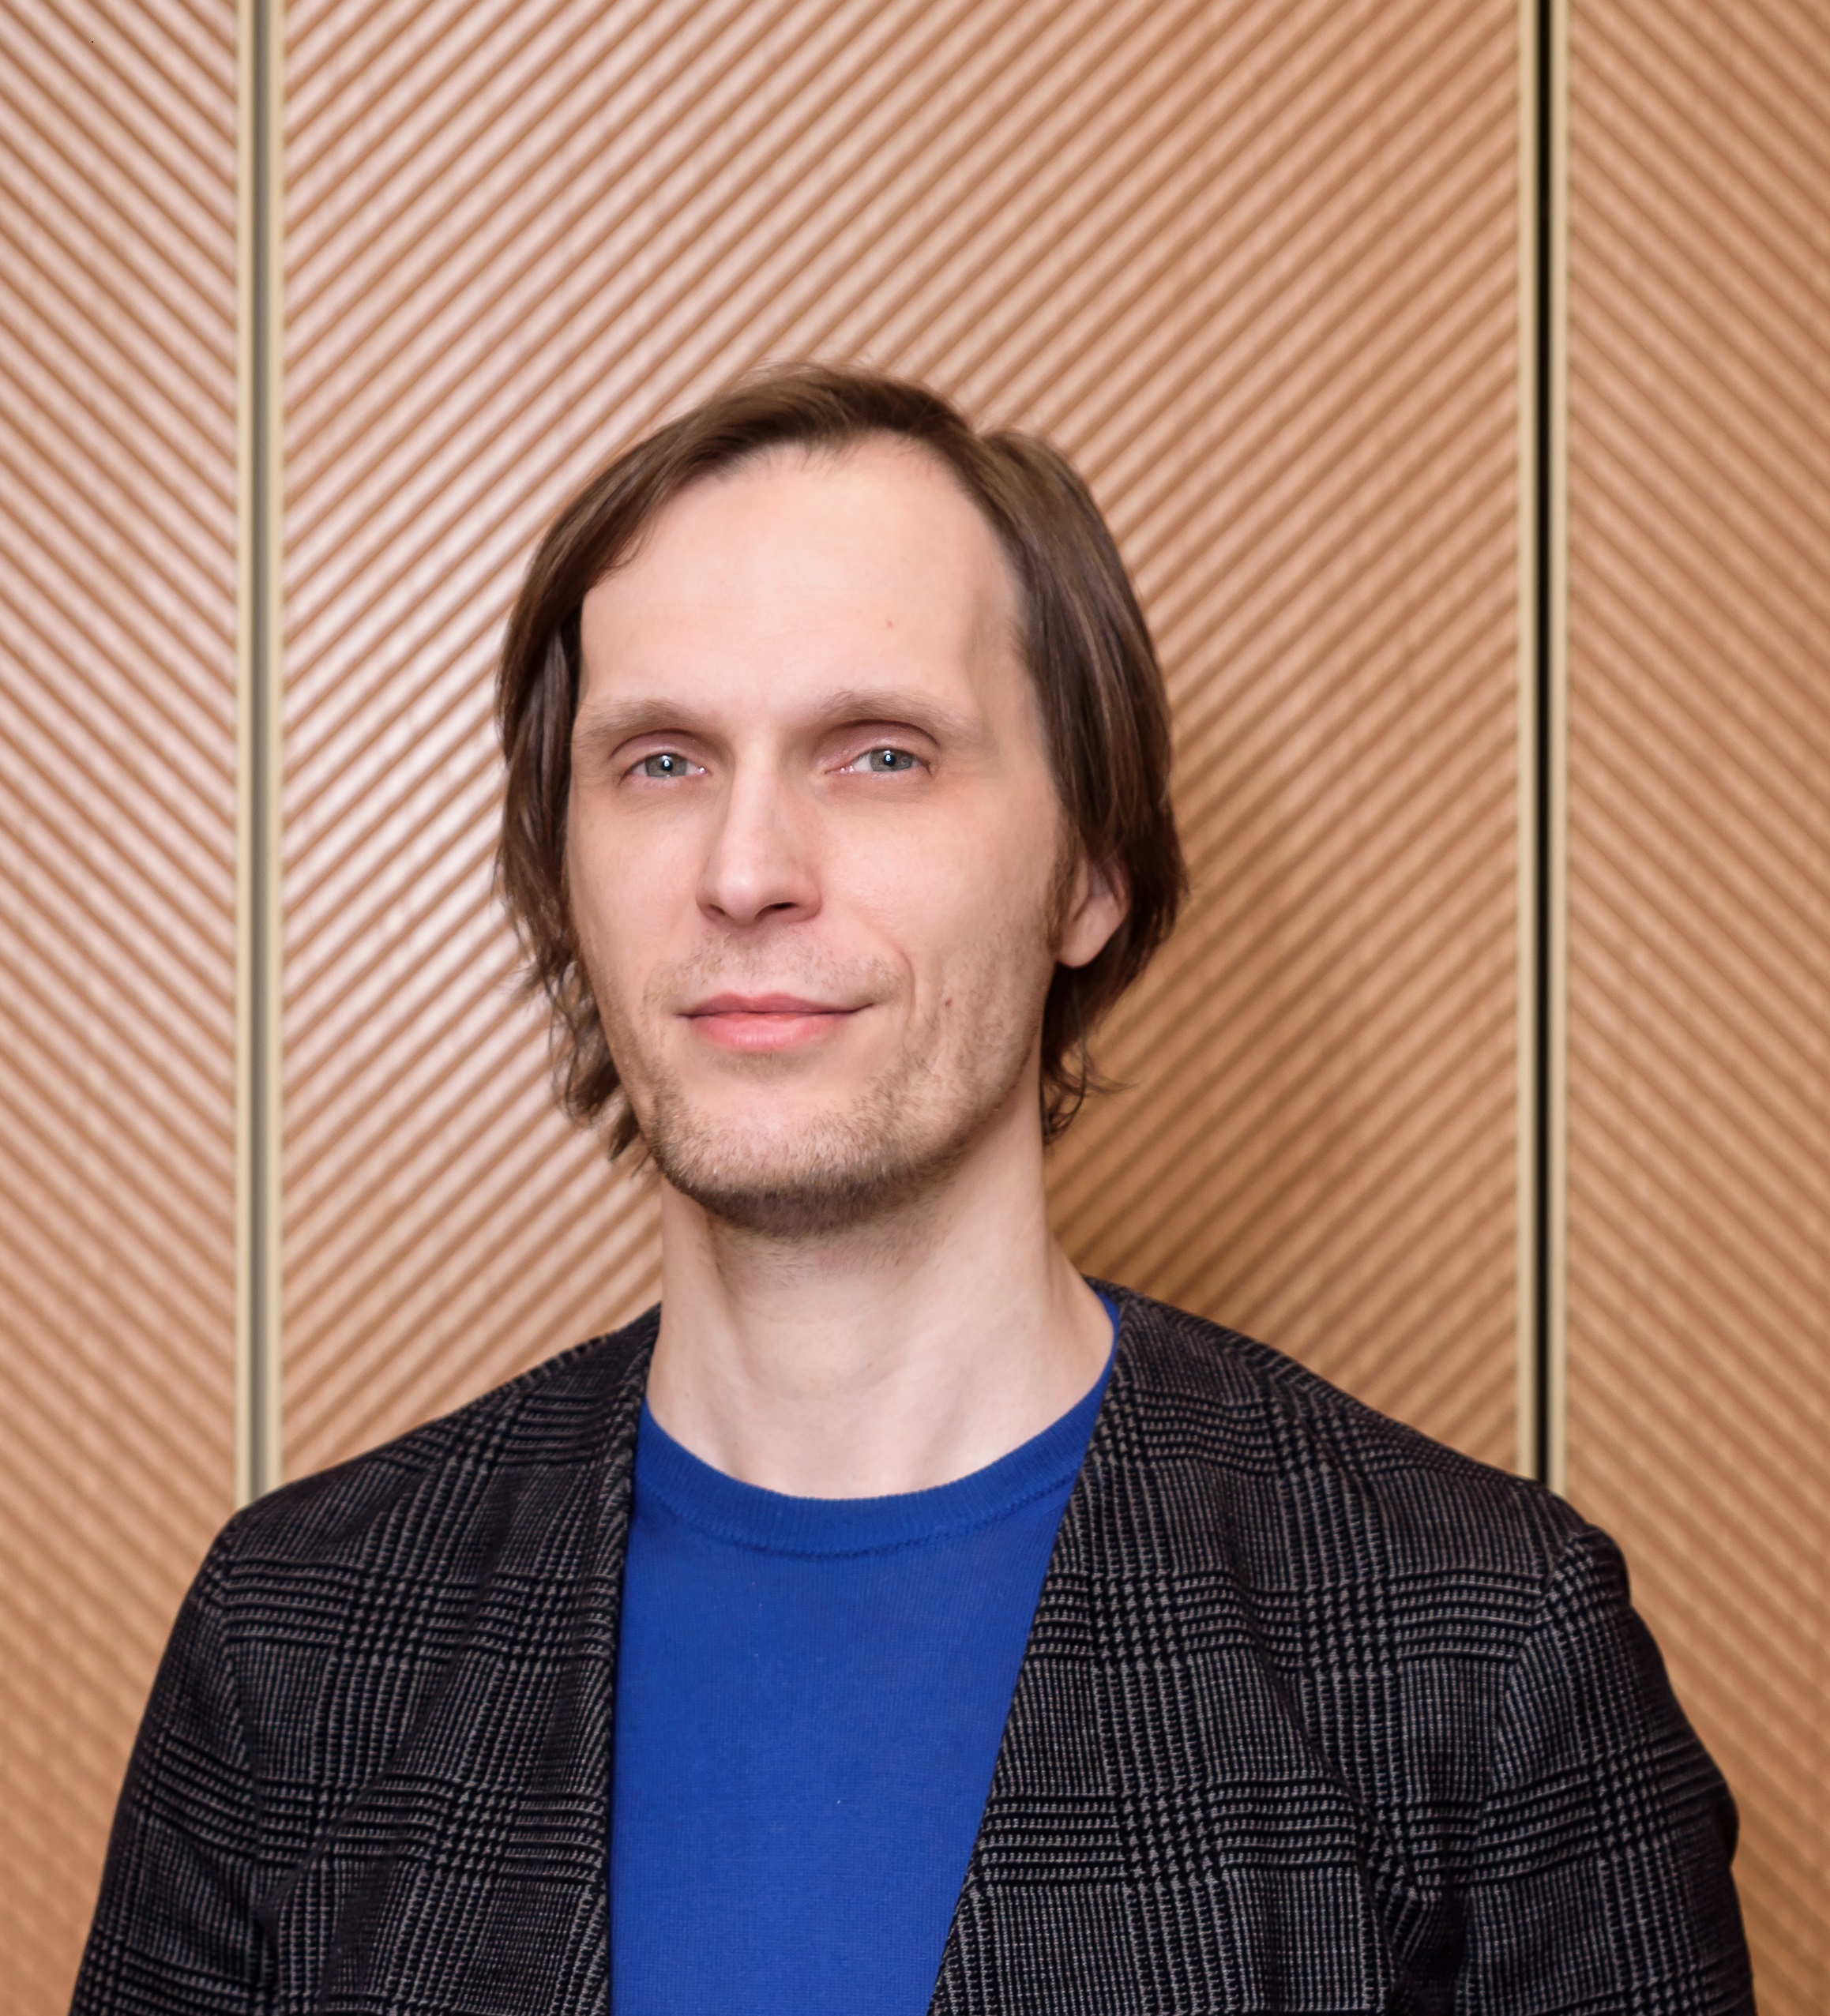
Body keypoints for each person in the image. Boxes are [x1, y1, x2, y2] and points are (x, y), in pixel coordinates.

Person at [73, 366, 1753, 2014]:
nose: (744, 871)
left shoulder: (1480, 1653)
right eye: (660, 761)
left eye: (878, 754)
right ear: (562, 865)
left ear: (1089, 869)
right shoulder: (294, 1644)